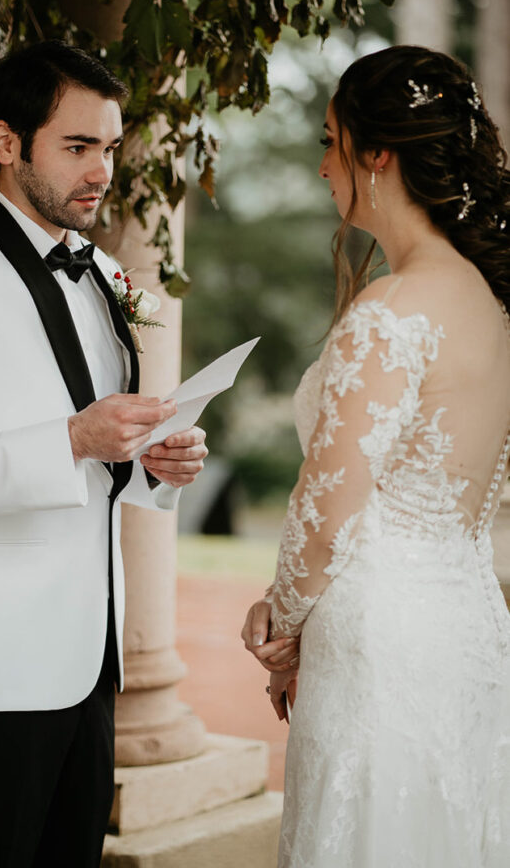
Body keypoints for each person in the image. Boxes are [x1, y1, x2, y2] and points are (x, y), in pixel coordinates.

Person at [0, 39, 208, 868]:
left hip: (89, 662)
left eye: (108, 147)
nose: (100, 170)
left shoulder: (98, 270)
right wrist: (72, 438)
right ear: (5, 143)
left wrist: (149, 463)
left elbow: (95, 465)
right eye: (76, 147)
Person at [241, 45, 510, 867]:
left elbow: (325, 511)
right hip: (464, 625)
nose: (323, 165)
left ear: (377, 153)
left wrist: (279, 627)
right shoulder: (489, 306)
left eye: (330, 141)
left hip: (376, 638)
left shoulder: (388, 312)